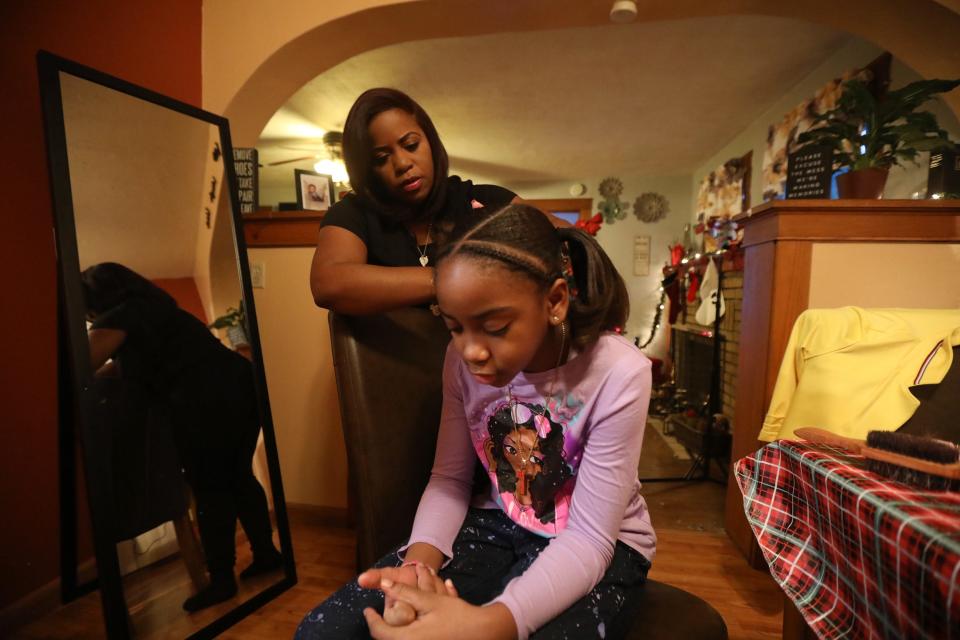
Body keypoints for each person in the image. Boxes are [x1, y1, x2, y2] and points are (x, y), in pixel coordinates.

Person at [295, 204, 656, 639]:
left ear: (555, 301)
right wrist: (416, 567)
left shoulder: (620, 373)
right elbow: (448, 479)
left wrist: (492, 624)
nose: (471, 352)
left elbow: (590, 539)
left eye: (496, 327)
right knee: (322, 632)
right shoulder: (459, 362)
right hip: (498, 523)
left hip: (600, 542)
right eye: (454, 327)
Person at [82, 262, 283, 612]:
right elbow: (121, 364)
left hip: (205, 398)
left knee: (209, 488)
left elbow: (83, 360)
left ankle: (221, 580)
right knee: (237, 475)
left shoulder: (120, 315)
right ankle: (266, 554)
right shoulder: (154, 309)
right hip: (238, 384)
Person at [310, 88, 565, 315]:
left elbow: (566, 239)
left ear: (431, 142)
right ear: (367, 168)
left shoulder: (486, 199)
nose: (402, 163)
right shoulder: (352, 214)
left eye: (410, 145)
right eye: (380, 158)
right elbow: (329, 284)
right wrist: (454, 279)